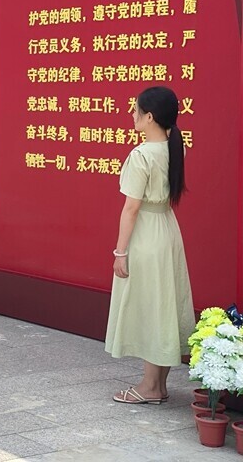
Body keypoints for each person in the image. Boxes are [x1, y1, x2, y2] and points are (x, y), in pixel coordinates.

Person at [105, 86, 194, 404]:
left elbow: (131, 209)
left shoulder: (141, 155)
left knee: (149, 306)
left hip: (146, 236)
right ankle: (158, 385)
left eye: (136, 110)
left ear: (150, 117)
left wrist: (120, 252)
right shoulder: (176, 148)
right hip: (167, 229)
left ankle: (149, 386)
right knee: (163, 305)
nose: (132, 115)